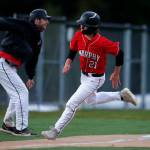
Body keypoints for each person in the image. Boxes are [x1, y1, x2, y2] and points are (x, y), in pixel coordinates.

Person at [41, 11, 137, 140]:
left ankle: (55, 130)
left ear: (92, 27)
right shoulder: (78, 36)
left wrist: (116, 72)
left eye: (84, 25)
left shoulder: (102, 42)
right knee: (90, 100)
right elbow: (73, 49)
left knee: (71, 104)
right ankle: (120, 95)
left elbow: (120, 53)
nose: (81, 27)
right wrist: (68, 62)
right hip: (84, 76)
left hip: (95, 79)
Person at [0, 9, 50, 136]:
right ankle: (21, 128)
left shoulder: (37, 39)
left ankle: (8, 124)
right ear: (37, 20)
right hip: (3, 63)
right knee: (21, 93)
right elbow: (4, 22)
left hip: (9, 67)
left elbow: (33, 59)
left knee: (17, 93)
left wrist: (30, 76)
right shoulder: (24, 25)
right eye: (45, 19)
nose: (47, 22)